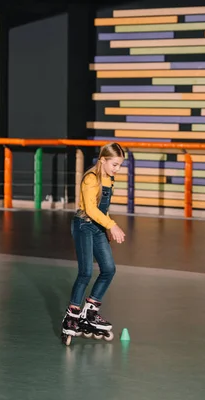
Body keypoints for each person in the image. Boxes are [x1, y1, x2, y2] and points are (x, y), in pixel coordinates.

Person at [61, 142, 126, 344]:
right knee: (86, 272)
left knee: (109, 269)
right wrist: (112, 225)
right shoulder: (91, 178)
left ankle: (89, 312)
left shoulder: (110, 179)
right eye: (114, 164)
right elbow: (90, 209)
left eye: (120, 165)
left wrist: (105, 228)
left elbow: (103, 209)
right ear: (103, 160)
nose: (117, 169)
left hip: (98, 228)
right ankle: (71, 317)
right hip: (83, 226)